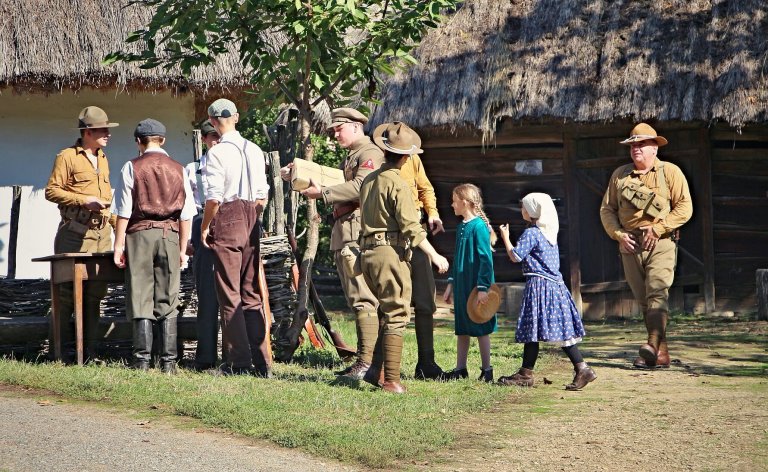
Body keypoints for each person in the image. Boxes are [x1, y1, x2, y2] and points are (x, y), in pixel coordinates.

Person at [280, 108, 384, 379]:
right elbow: (333, 180)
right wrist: (298, 173)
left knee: (363, 299)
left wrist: (322, 193)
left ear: (356, 126)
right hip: (345, 230)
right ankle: (366, 362)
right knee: (357, 299)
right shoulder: (353, 155)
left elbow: (363, 186)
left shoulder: (369, 153)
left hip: (356, 231)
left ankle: (366, 363)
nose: (335, 134)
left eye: (339, 129)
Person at [358, 122, 449, 394]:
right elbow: (412, 227)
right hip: (390, 253)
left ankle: (375, 372)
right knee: (397, 313)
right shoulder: (398, 184)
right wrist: (435, 255)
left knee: (387, 310)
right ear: (407, 156)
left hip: (368, 252)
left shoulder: (370, 179)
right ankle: (392, 381)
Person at [599, 123, 693, 369]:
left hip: (660, 242)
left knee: (657, 293)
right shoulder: (620, 175)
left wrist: (659, 228)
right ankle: (660, 354)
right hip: (629, 244)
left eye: (641, 144)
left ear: (654, 147)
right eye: (632, 145)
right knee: (643, 300)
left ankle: (651, 344)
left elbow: (684, 207)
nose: (635, 149)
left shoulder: (670, 172)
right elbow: (607, 209)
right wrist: (618, 234)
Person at [112, 119, 196, 373]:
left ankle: (142, 361)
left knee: (140, 293)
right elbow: (186, 214)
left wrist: (118, 245)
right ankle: (169, 363)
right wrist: (182, 249)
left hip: (139, 235)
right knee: (168, 295)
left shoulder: (132, 167)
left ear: (139, 142)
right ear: (163, 140)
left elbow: (123, 211)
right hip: (169, 235)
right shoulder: (179, 169)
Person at [200, 98, 272, 377]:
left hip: (228, 218)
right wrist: (251, 217)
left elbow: (214, 198)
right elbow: (262, 196)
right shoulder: (255, 150)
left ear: (213, 121)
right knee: (251, 292)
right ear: (237, 117)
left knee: (230, 293)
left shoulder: (216, 153)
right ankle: (262, 361)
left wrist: (206, 226)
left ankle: (239, 363)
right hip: (252, 217)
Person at [497, 193, 596, 390]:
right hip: (554, 286)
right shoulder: (549, 231)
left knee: (536, 330)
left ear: (534, 211)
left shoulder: (532, 233)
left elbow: (516, 256)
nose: (522, 210)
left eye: (525, 207)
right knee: (543, 330)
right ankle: (528, 373)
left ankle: (580, 369)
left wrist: (505, 238)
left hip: (540, 286)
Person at [44, 106, 118, 362]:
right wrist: (83, 200)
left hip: (101, 234)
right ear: (87, 132)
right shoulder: (67, 157)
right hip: (75, 232)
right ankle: (62, 352)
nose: (108, 133)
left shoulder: (104, 158)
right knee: (65, 294)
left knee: (95, 292)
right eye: (102, 129)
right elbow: (51, 191)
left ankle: (89, 351)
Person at [397, 128, 448, 380]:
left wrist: (433, 212)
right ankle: (381, 364)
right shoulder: (379, 163)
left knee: (426, 300)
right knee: (392, 302)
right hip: (390, 238)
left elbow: (425, 187)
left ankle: (426, 363)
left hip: (417, 233)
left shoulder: (414, 159)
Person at [441, 184, 497, 382]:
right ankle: (460, 369)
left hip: (476, 287)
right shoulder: (462, 226)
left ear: (464, 202)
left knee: (481, 326)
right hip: (462, 286)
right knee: (463, 327)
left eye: (454, 200)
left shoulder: (479, 227)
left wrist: (483, 288)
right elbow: (458, 259)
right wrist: (451, 285)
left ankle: (487, 370)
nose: (452, 204)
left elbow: (486, 260)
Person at [184, 119, 222, 370]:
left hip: (231, 220)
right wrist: (188, 237)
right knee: (207, 294)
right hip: (201, 222)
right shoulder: (192, 168)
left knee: (237, 293)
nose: (215, 140)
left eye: (218, 136)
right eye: (210, 136)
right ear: (204, 140)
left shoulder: (236, 162)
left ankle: (237, 354)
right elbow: (186, 205)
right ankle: (206, 356)